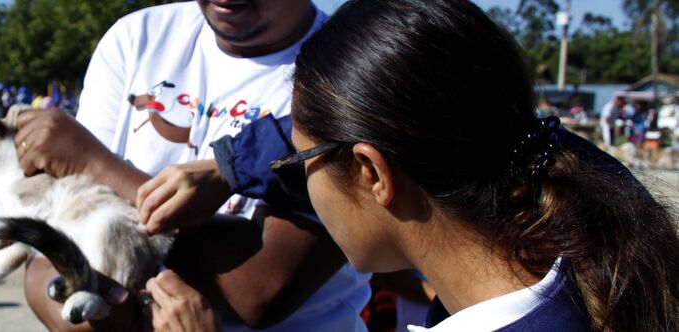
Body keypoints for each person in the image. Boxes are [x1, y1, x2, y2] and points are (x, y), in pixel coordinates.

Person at [135, 0, 679, 331]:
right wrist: (231, 167)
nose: (300, 178)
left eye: (300, 161)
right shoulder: (590, 269)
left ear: (373, 175)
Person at [16, 0, 370, 331]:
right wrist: (87, 311)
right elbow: (51, 242)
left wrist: (94, 164)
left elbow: (259, 291)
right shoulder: (136, 39)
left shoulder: (351, 67)